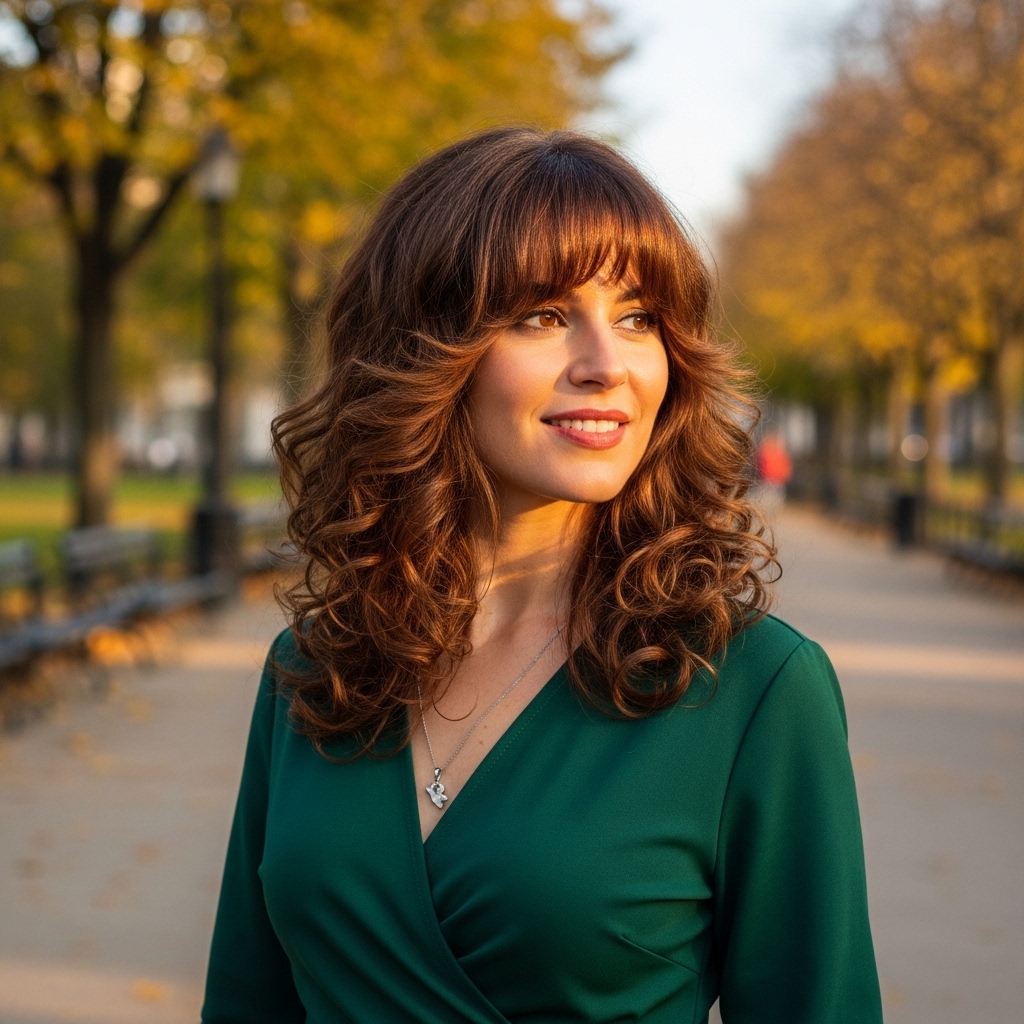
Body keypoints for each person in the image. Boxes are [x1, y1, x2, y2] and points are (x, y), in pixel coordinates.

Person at [202, 128, 882, 1024]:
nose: (607, 364)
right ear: (424, 351)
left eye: (638, 317)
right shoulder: (316, 668)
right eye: (545, 316)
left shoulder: (753, 689)